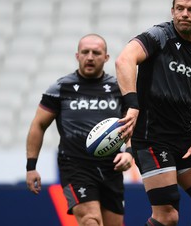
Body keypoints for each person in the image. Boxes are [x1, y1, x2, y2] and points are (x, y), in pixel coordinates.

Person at [115, 0, 191, 226]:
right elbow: (125, 59)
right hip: (152, 138)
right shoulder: (159, 36)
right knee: (167, 217)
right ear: (172, 11)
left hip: (185, 139)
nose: (185, 13)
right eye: (180, 8)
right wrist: (132, 105)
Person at [26, 34, 133, 226]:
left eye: (96, 53)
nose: (90, 57)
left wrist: (129, 153)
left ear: (106, 57)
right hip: (74, 167)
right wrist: (31, 167)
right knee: (90, 220)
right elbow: (38, 125)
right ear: (77, 56)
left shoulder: (119, 89)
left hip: (111, 168)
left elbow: (130, 125)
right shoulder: (60, 88)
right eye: (85, 52)